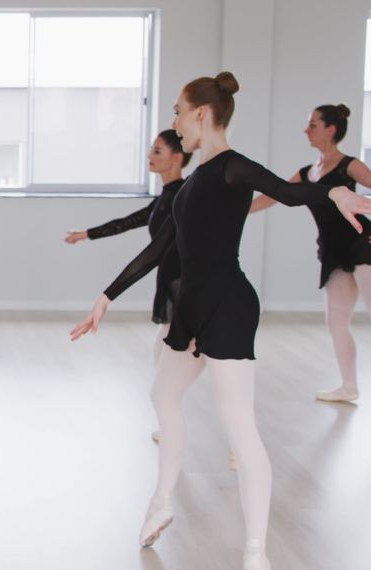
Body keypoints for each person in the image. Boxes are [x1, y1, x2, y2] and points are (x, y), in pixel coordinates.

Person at [70, 72, 371, 570]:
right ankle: (163, 500)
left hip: (229, 304)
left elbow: (290, 193)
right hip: (191, 305)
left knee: (240, 427)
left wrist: (337, 195)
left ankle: (256, 552)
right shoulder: (189, 186)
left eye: (176, 112)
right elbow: (159, 247)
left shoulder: (235, 168)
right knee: (162, 394)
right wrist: (106, 296)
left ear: (201, 114)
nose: (174, 122)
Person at [66, 130, 191, 444]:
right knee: (164, 353)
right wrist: (86, 234)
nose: (151, 156)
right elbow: (129, 221)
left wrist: (107, 296)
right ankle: (171, 424)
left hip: (186, 286)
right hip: (173, 284)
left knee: (185, 361)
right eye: (152, 149)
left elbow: (155, 252)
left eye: (158, 151)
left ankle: (183, 427)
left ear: (178, 158)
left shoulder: (180, 195)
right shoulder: (166, 195)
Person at [250, 104, 371, 403]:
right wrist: (236, 212)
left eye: (312, 124)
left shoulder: (350, 166)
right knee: (336, 322)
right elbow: (274, 194)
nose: (307, 130)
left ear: (331, 129)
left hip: (363, 244)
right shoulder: (307, 173)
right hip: (333, 251)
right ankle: (348, 386)